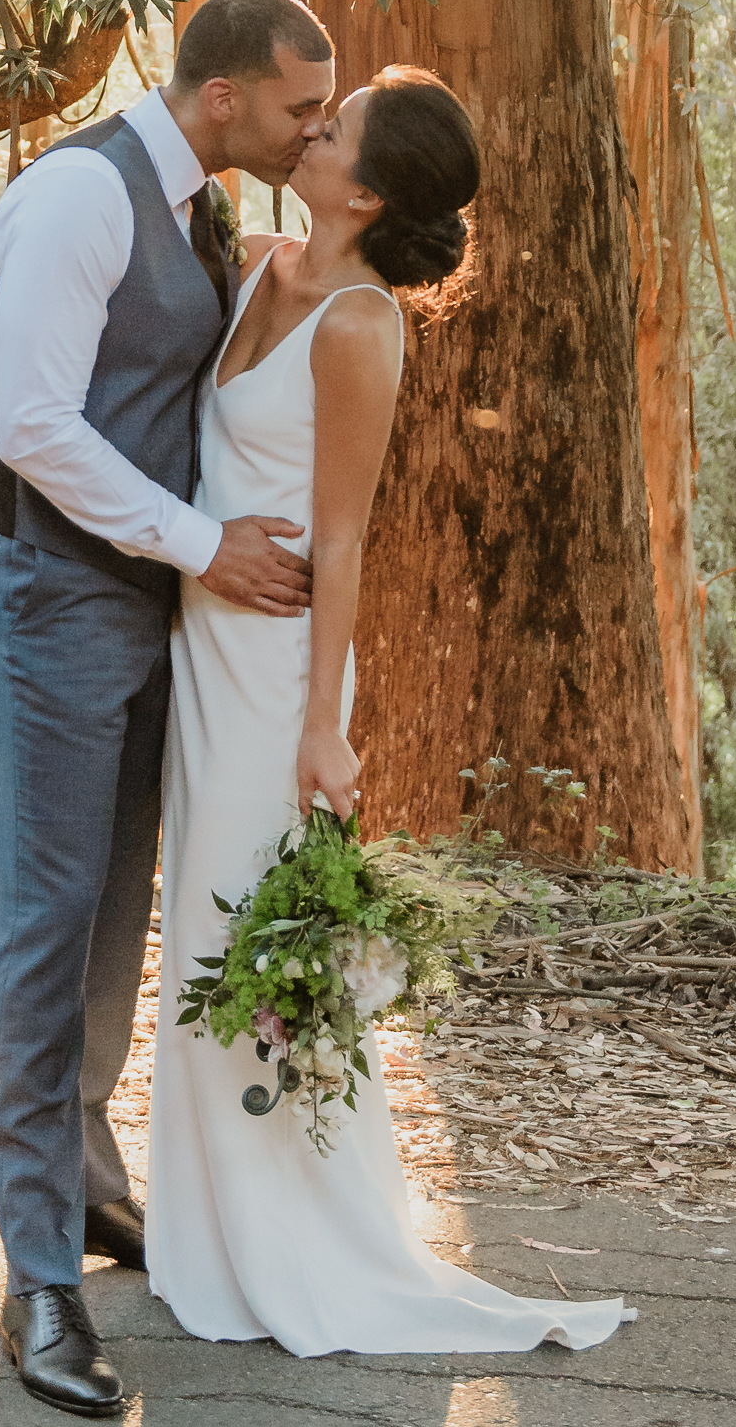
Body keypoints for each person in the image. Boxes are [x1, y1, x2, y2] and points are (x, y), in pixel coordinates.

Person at [145, 67, 633, 1358]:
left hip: (279, 673)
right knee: (197, 921)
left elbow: (347, 540)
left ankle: (293, 1233)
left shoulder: (361, 324)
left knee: (250, 940)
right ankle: (203, 1227)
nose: (312, 124)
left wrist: (324, 725)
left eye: (336, 121)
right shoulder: (253, 262)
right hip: (202, 644)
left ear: (362, 188)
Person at [0, 0, 336, 1418]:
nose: (315, 129)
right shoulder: (79, 196)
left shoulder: (209, 209)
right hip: (45, 584)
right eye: (301, 107)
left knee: (119, 907)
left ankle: (91, 1179)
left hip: (141, 596)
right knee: (49, 915)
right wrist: (203, 546)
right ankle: (36, 1273)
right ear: (224, 96)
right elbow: (33, 421)